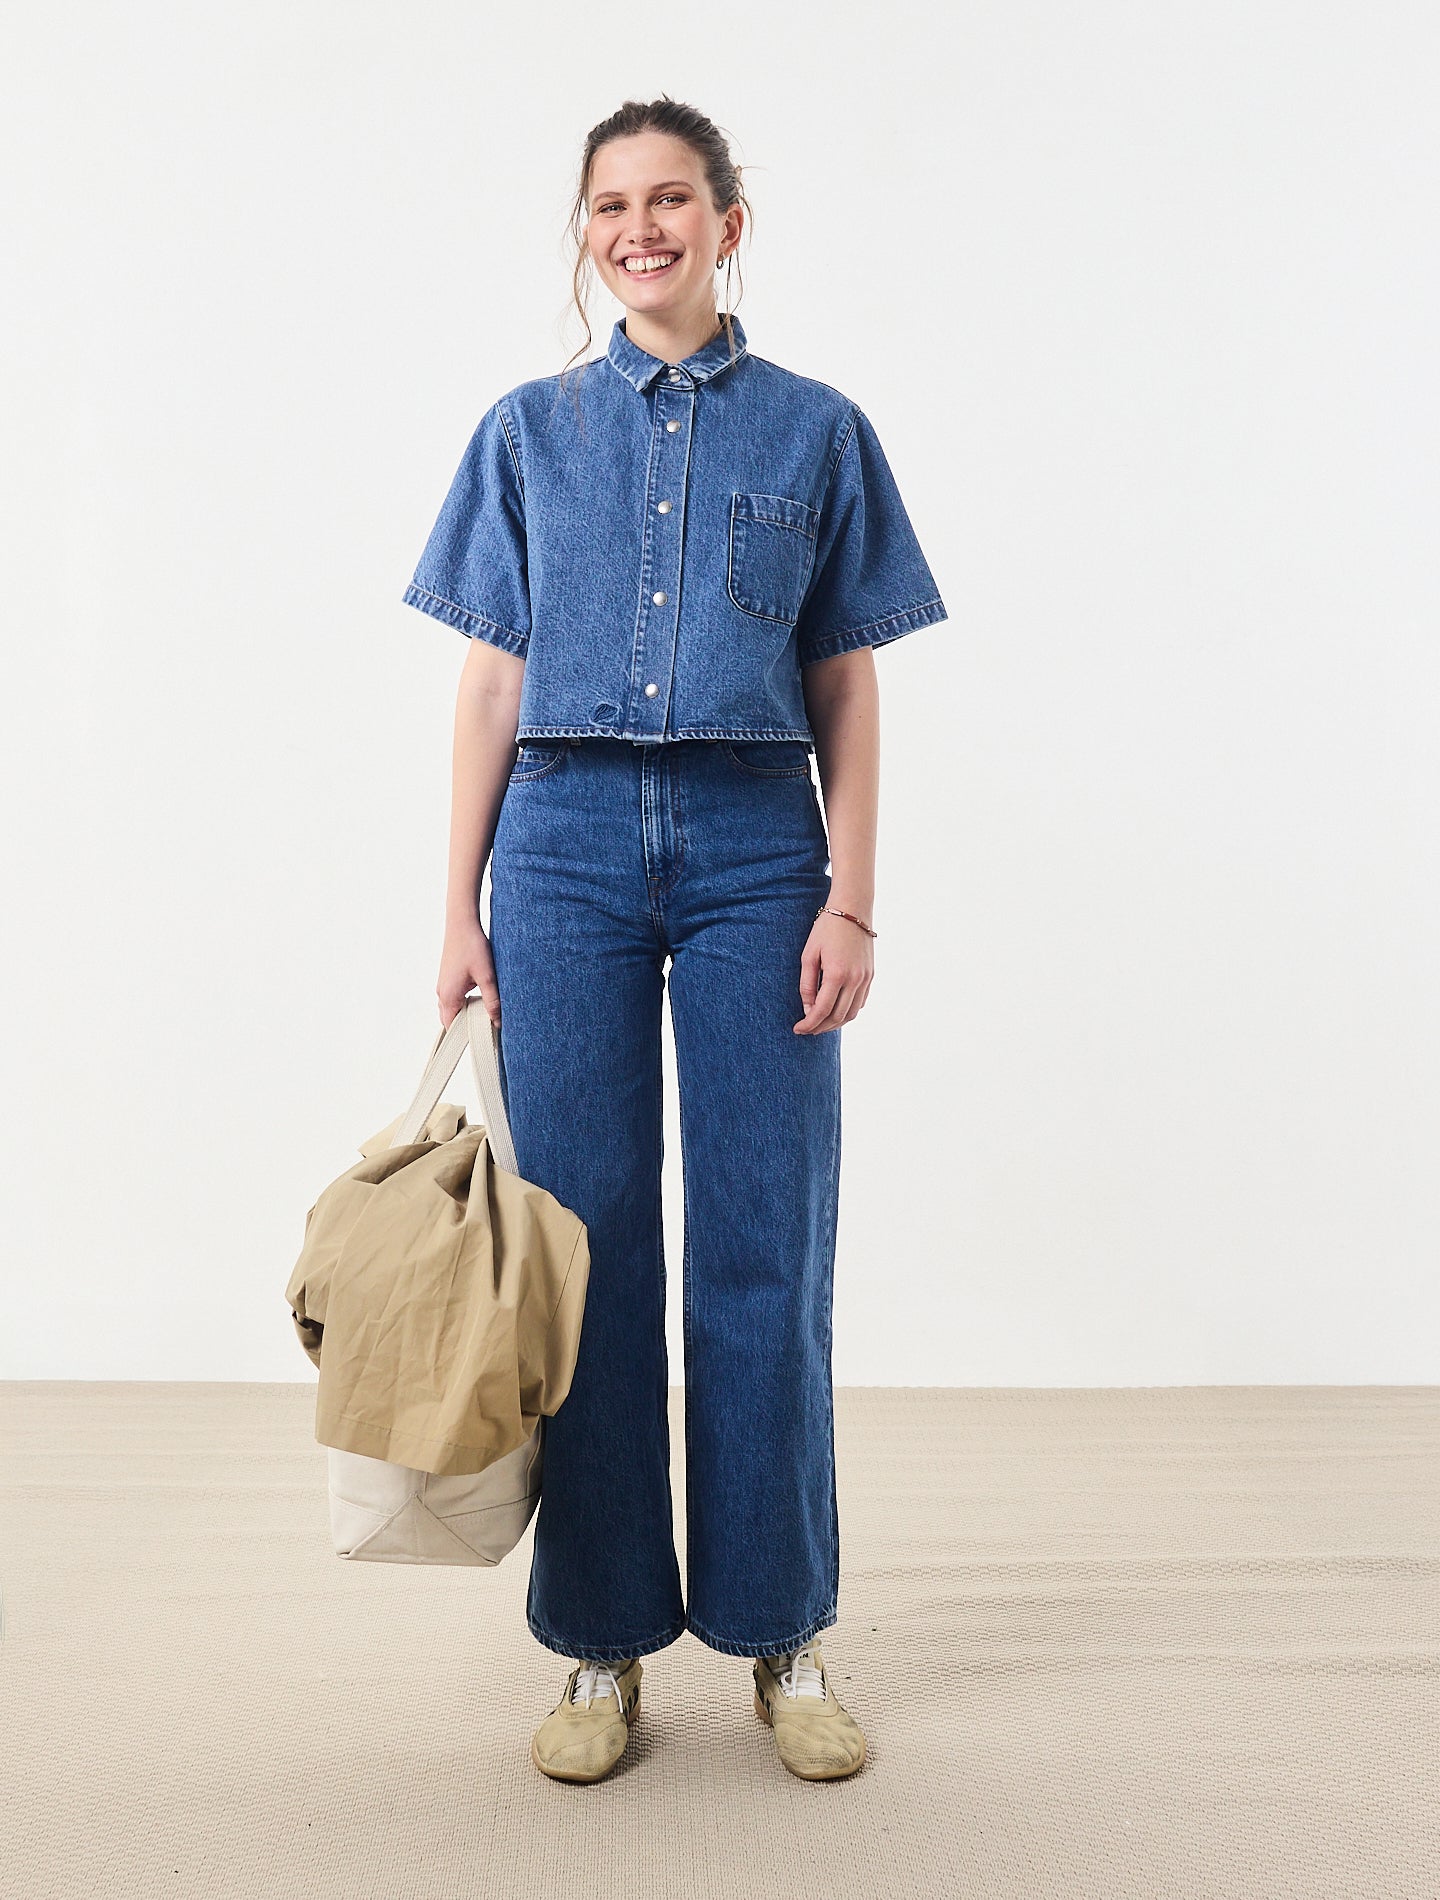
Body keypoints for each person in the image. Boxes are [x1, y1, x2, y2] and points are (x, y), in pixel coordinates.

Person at [401, 96, 947, 1784]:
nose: (638, 227)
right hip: (561, 846)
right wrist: (458, 905)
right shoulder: (526, 431)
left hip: (755, 847)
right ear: (586, 233)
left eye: (669, 199)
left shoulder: (818, 431)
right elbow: (490, 682)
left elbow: (846, 681)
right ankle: (600, 1643)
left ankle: (784, 1632)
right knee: (584, 1249)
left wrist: (851, 895)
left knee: (765, 1245)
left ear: (728, 222)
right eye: (608, 205)